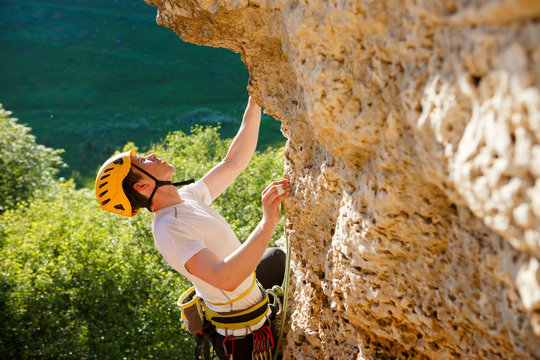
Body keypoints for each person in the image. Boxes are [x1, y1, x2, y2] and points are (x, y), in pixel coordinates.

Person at [95, 95, 290, 359]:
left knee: (277, 257)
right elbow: (226, 279)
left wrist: (255, 102)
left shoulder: (185, 198)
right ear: (142, 186)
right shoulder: (169, 229)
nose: (152, 154)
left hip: (252, 301)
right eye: (144, 160)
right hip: (244, 339)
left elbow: (234, 162)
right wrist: (268, 222)